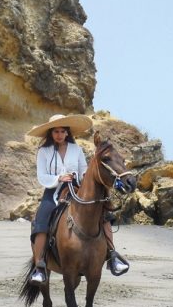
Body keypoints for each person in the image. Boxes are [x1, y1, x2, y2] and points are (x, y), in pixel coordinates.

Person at [25, 114, 129, 286]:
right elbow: (41, 176)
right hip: (53, 191)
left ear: (67, 133)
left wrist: (82, 180)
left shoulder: (76, 149)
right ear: (51, 133)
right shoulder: (44, 152)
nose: (59, 134)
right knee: (41, 219)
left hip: (77, 188)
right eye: (56, 131)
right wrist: (59, 178)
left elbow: (83, 171)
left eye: (62, 131)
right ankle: (39, 266)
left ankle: (112, 255)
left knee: (104, 213)